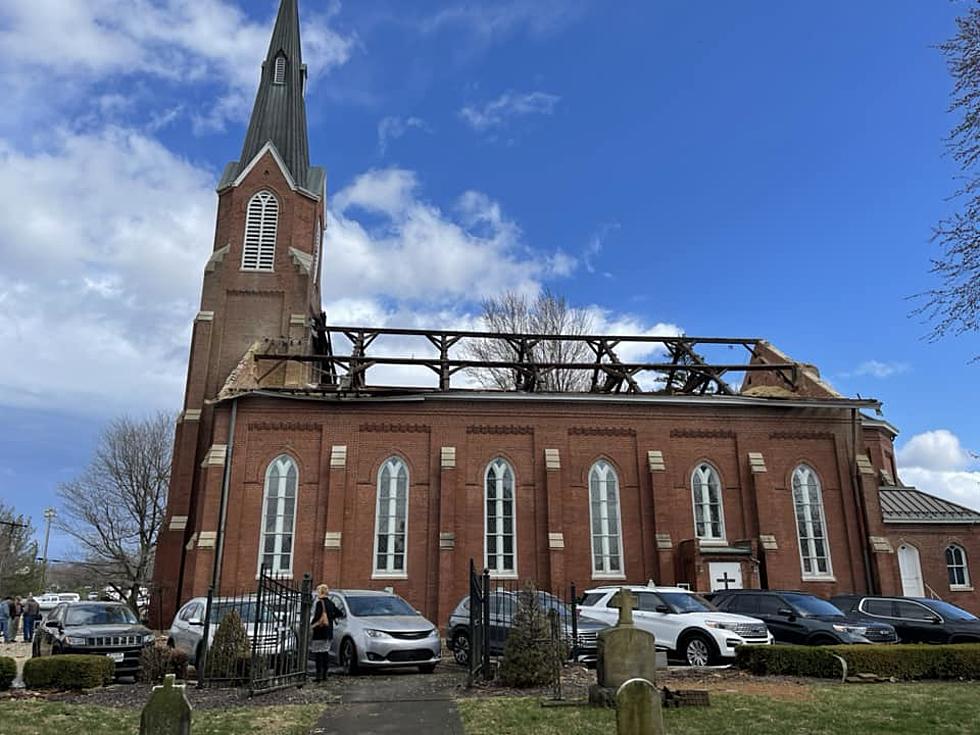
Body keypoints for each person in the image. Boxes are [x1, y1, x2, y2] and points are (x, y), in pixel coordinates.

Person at [310, 583, 341, 682]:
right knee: (325, 653)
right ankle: (325, 674)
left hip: (320, 631)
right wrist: (331, 617)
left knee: (318, 655)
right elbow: (340, 613)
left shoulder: (320, 603)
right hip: (329, 631)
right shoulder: (330, 603)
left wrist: (312, 624)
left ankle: (319, 674)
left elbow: (317, 616)